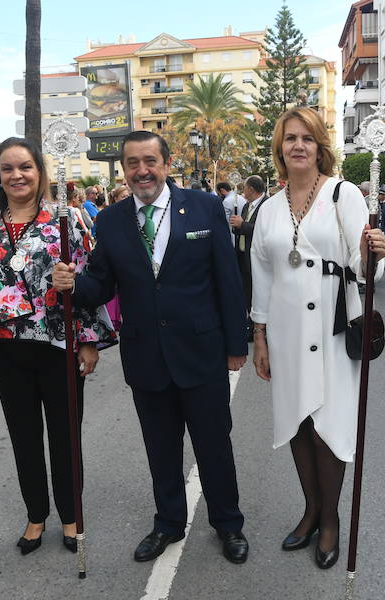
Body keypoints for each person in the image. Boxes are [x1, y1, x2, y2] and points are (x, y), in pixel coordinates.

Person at [52, 130, 250, 565]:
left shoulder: (204, 207)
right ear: (124, 169)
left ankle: (228, 524)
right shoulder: (110, 220)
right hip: (145, 355)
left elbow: (227, 279)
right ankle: (169, 523)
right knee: (160, 448)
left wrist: (237, 343)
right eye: (132, 163)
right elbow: (101, 283)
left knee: (214, 444)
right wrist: (72, 284)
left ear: (166, 163)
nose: (142, 171)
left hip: (201, 350)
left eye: (150, 161)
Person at [0, 136, 115, 556]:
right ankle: (36, 514)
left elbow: (85, 279)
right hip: (8, 348)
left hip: (60, 346)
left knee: (65, 436)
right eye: (7, 169)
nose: (17, 175)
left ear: (40, 172)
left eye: (25, 167)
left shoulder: (66, 220)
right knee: (24, 436)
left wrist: (88, 340)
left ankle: (70, 516)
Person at [248, 107, 385, 569]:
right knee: (298, 422)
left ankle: (330, 519)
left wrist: (375, 254)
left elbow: (362, 265)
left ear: (320, 145)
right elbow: (261, 277)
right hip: (287, 330)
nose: (298, 146)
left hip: (332, 326)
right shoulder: (267, 208)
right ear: (280, 148)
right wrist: (260, 336)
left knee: (330, 425)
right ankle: (310, 509)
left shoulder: (344, 194)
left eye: (307, 138)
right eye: (290, 138)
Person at [229, 175, 267, 340]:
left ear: (251, 189)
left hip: (257, 258)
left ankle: (257, 326)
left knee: (256, 290)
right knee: (247, 291)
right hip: (243, 256)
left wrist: (242, 225)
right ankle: (250, 323)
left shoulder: (267, 205)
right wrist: (237, 226)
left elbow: (263, 229)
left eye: (245, 188)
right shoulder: (246, 206)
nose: (244, 191)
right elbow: (241, 228)